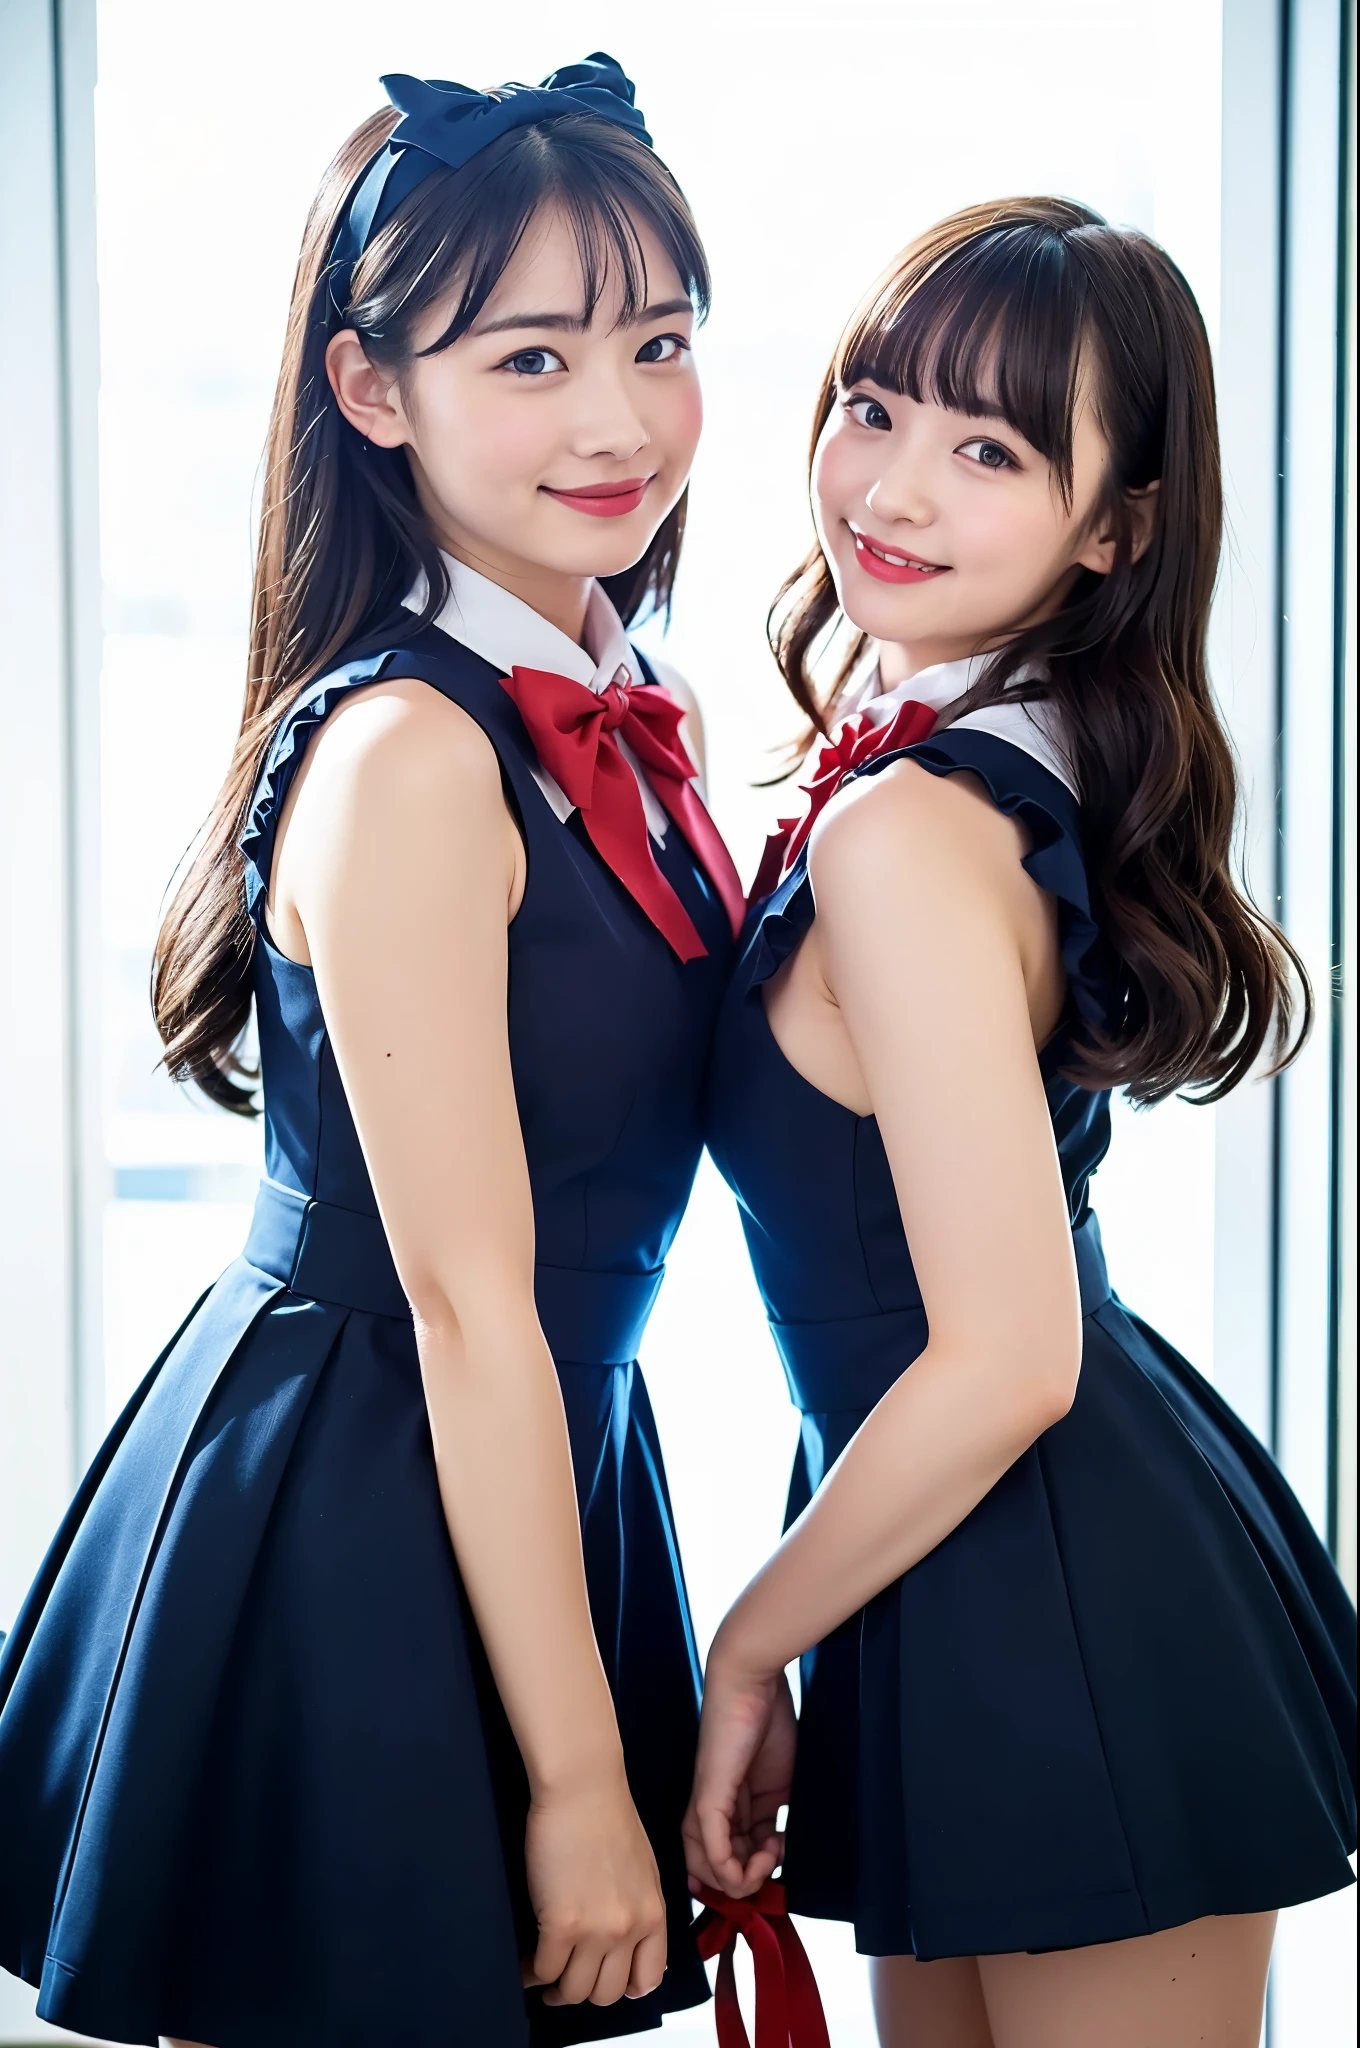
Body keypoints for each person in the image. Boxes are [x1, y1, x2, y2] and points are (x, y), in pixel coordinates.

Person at [0, 56, 742, 2048]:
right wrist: (577, 1780)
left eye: (658, 341)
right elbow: (462, 1300)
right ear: (368, 389)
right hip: (369, 1491)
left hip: (518, 1454)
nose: (616, 418)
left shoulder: (620, 700)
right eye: (528, 357)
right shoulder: (412, 755)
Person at [693, 198, 1357, 2048]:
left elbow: (1003, 1360)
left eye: (989, 448)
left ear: (1113, 527)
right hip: (953, 1566)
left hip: (1033, 1556)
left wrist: (748, 1643)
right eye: (876, 406)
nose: (892, 488)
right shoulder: (963, 762)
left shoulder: (910, 830)